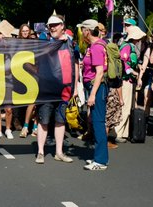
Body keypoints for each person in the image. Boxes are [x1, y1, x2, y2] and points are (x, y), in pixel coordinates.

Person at [34, 15, 76, 164]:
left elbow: (75, 64)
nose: (53, 27)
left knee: (60, 120)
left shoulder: (71, 43)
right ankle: (40, 152)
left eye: (56, 25)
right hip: (46, 89)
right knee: (44, 120)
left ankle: (59, 152)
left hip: (64, 89)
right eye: (50, 25)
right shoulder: (44, 41)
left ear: (62, 26)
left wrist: (75, 87)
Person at [78, 19, 108, 170]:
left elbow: (100, 72)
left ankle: (100, 161)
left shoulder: (96, 47)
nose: (81, 32)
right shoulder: (97, 45)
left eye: (82, 29)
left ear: (87, 31)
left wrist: (92, 95)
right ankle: (98, 157)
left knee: (98, 123)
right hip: (96, 87)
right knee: (96, 122)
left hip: (97, 87)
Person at [113, 25, 145, 143]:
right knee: (124, 107)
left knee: (126, 106)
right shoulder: (127, 46)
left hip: (129, 80)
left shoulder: (128, 46)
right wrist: (132, 72)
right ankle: (118, 132)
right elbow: (123, 62)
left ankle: (124, 133)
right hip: (126, 80)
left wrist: (137, 67)